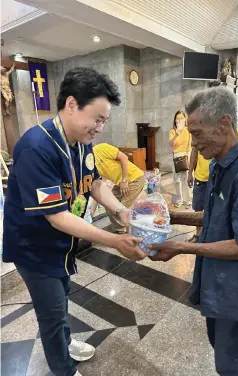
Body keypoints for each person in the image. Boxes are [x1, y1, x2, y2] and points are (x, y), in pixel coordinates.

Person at [3, 67, 145, 376]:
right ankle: (64, 369)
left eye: (104, 121)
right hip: (34, 248)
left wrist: (123, 212)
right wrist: (114, 239)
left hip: (61, 243)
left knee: (62, 297)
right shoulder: (36, 148)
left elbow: (92, 183)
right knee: (52, 312)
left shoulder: (81, 142)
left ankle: (65, 343)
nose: (99, 128)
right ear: (71, 104)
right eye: (97, 118)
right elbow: (56, 216)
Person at [150, 87, 238, 376]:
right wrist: (174, 216)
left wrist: (181, 248)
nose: (193, 144)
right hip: (219, 286)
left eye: (197, 133)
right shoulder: (222, 165)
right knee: (222, 354)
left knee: (232, 365)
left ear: (224, 124)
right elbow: (220, 217)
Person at [188, 128, 238, 243]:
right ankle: (199, 235)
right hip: (201, 177)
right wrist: (190, 172)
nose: (194, 142)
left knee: (219, 209)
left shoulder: (232, 131)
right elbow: (194, 151)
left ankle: (214, 237)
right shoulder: (200, 132)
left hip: (220, 179)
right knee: (199, 207)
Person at [93, 143, 145, 233]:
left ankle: (134, 232)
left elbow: (124, 157)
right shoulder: (89, 163)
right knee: (109, 204)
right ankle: (120, 229)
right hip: (119, 184)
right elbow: (97, 185)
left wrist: (124, 180)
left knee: (124, 207)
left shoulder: (101, 148)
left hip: (134, 178)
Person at [169, 110, 192, 209]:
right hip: (176, 157)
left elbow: (190, 145)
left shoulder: (188, 130)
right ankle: (179, 200)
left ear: (185, 119)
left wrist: (189, 158)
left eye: (181, 118)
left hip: (186, 155)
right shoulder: (172, 131)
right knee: (177, 180)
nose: (179, 120)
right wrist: (177, 134)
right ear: (175, 120)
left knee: (187, 179)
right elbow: (171, 144)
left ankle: (188, 200)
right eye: (177, 118)